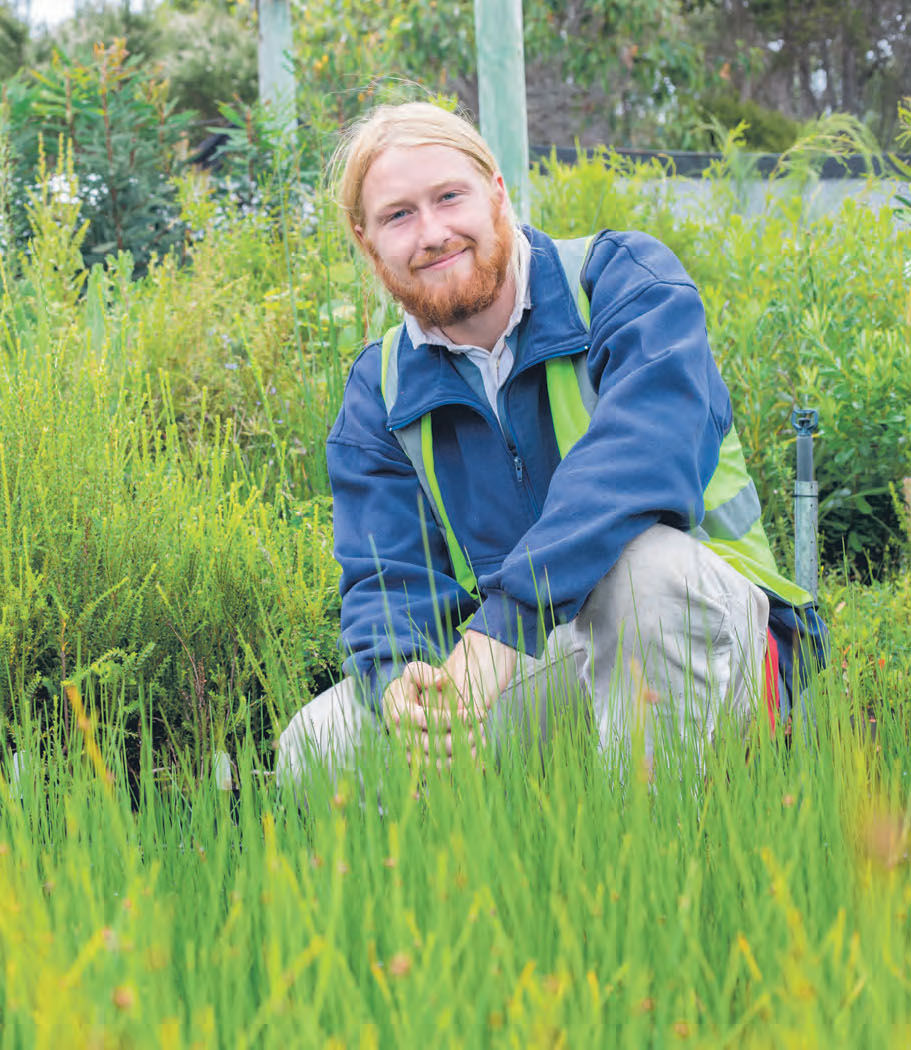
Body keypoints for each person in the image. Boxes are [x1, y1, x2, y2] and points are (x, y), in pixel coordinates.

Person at [277, 104, 826, 783]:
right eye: (398, 215)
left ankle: (662, 858)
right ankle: (480, 879)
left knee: (644, 572)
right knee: (316, 746)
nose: (432, 232)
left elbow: (641, 461)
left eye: (449, 197)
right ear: (367, 241)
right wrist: (398, 678)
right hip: (539, 655)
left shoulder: (623, 285)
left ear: (497, 192)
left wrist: (500, 629)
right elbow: (387, 576)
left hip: (719, 640)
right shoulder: (379, 386)